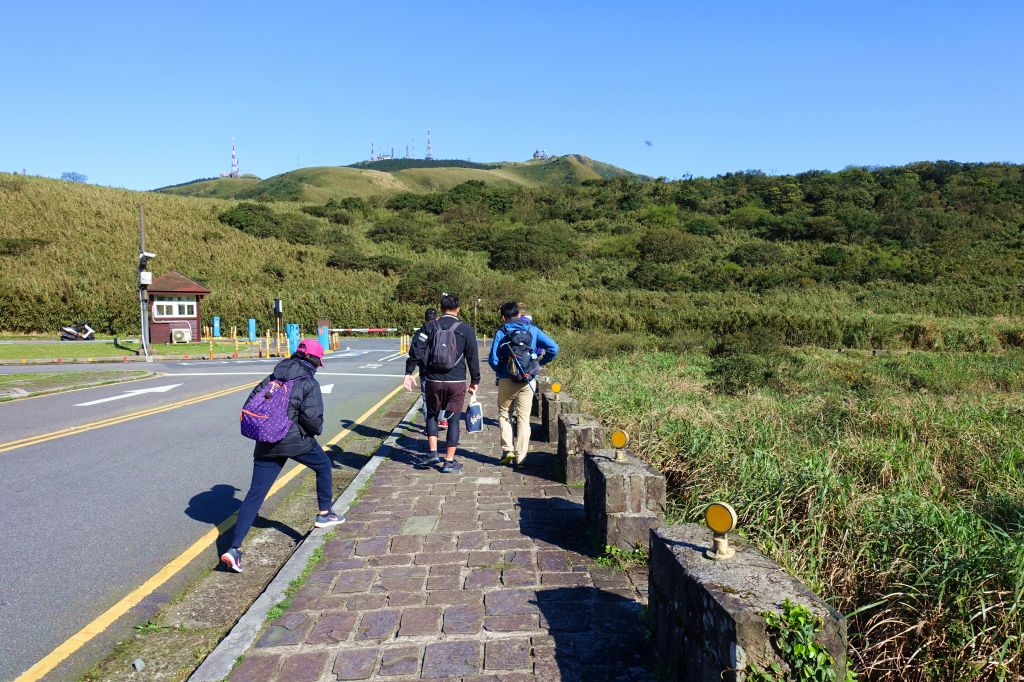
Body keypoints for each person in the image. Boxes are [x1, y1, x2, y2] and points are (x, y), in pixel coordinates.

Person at [220, 339, 342, 573]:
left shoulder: (274, 376)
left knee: (255, 494)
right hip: (295, 440)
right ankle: (325, 514)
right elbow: (313, 420)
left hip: (266, 440)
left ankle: (233, 549)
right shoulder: (308, 381)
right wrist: (308, 431)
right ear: (315, 360)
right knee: (324, 466)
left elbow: (251, 403)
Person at [404, 294, 480, 474]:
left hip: (433, 380)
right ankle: (449, 461)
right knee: (453, 419)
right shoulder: (466, 329)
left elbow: (416, 350)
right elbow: (473, 358)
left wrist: (409, 372)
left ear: (441, 307)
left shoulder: (429, 327)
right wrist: (475, 380)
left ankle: (432, 453)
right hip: (457, 381)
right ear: (459, 309)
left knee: (431, 414)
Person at [489, 301, 558, 468]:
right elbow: (553, 348)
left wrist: (501, 371)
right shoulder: (532, 330)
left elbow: (493, 359)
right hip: (527, 379)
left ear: (503, 317)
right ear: (519, 314)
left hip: (506, 379)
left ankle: (508, 450)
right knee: (523, 418)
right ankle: (521, 458)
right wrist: (539, 365)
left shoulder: (502, 331)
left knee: (504, 413)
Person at [405, 307, 440, 428]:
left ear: (425, 319)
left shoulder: (420, 332)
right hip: (443, 369)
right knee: (442, 395)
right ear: (437, 318)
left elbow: (415, 353)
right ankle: (442, 418)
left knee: (427, 398)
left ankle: (429, 426)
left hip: (426, 371)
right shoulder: (444, 330)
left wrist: (409, 371)